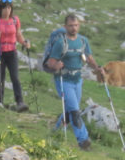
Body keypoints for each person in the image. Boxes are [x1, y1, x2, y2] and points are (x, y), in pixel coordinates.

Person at [44, 13, 102, 150]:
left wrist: (98, 68)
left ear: (79, 26)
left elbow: (89, 58)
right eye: (70, 26)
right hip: (64, 81)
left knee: (70, 112)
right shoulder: (61, 43)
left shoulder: (83, 41)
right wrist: (56, 65)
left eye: (76, 25)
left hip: (77, 80)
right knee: (75, 111)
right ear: (65, 27)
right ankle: (83, 140)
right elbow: (50, 62)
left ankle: (55, 133)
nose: (74, 28)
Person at [0, 0, 30, 112]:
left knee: (15, 77)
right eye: (4, 8)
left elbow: (18, 34)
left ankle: (20, 102)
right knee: (1, 78)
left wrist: (24, 42)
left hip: (12, 52)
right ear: (0, 9)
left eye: (9, 8)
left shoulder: (15, 20)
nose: (7, 10)